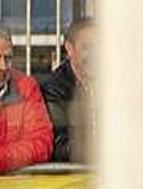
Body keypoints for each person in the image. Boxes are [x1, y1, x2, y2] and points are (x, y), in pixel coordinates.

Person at [40, 18, 95, 163]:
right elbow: (59, 147)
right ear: (69, 49)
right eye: (87, 47)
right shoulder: (54, 88)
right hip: (75, 180)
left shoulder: (114, 83)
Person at [0, 25, 53, 171]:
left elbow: (42, 144)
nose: (3, 66)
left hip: (18, 188)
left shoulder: (26, 87)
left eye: (8, 58)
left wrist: (3, 158)